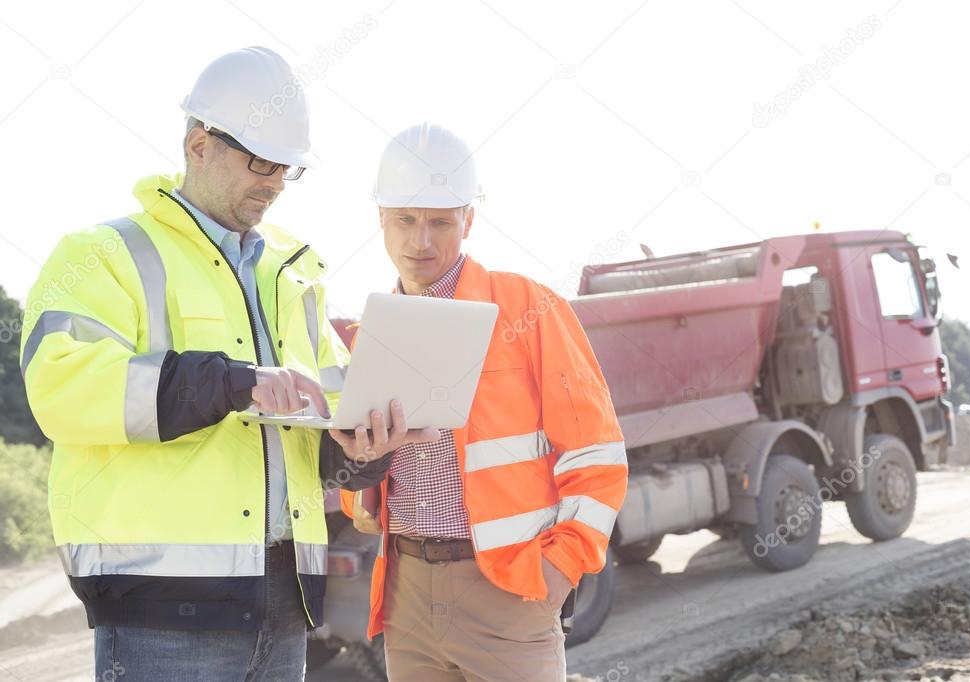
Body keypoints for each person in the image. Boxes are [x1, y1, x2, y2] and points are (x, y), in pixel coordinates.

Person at [19, 47, 436, 681]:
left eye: (287, 169)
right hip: (159, 613)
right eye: (261, 162)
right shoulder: (104, 255)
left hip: (284, 606)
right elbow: (61, 387)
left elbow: (319, 433)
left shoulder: (292, 275)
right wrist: (231, 383)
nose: (273, 183)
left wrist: (362, 450)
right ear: (199, 145)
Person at [338, 123, 628, 681]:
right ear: (381, 219)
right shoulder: (366, 334)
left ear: (468, 220)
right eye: (404, 219)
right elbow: (361, 491)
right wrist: (360, 490)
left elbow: (598, 458)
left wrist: (556, 574)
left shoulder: (528, 307)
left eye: (440, 222)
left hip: (509, 591)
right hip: (407, 596)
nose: (420, 242)